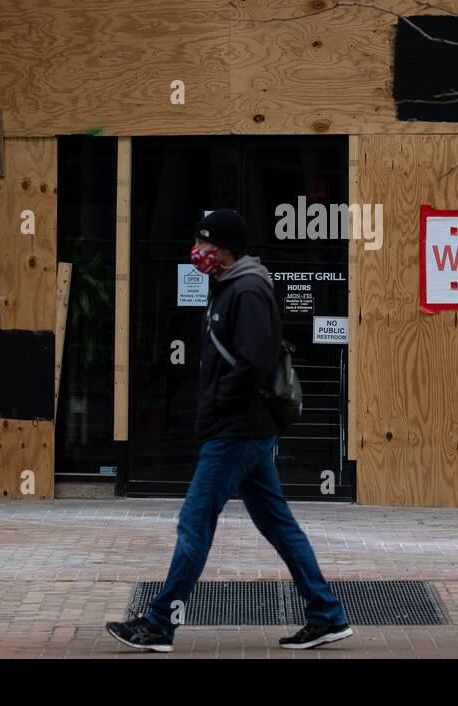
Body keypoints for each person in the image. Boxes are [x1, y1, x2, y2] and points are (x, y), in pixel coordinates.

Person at [106, 208, 351, 653]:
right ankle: (327, 615)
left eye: (205, 246)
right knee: (277, 523)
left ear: (224, 250)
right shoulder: (229, 287)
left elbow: (255, 363)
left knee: (195, 521)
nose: (198, 252)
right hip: (243, 427)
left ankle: (160, 622)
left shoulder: (249, 290)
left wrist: (220, 398)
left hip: (237, 428)